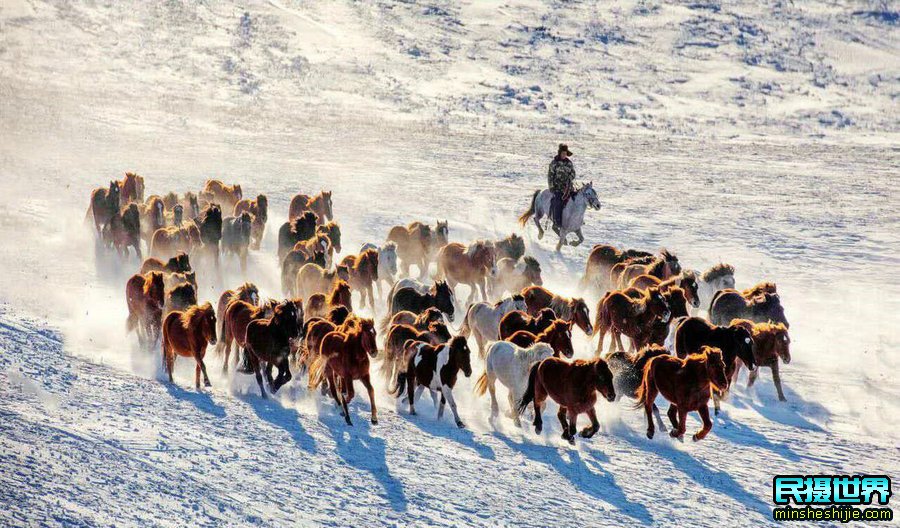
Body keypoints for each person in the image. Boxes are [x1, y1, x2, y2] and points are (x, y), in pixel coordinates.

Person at [548, 143, 575, 233]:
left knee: (576, 200)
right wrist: (551, 186)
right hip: (558, 188)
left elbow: (573, 173)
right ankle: (557, 222)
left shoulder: (569, 163)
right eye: (563, 153)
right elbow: (550, 175)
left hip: (568, 187)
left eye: (565, 153)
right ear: (560, 153)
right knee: (558, 202)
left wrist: (569, 178)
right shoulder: (554, 163)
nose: (564, 155)